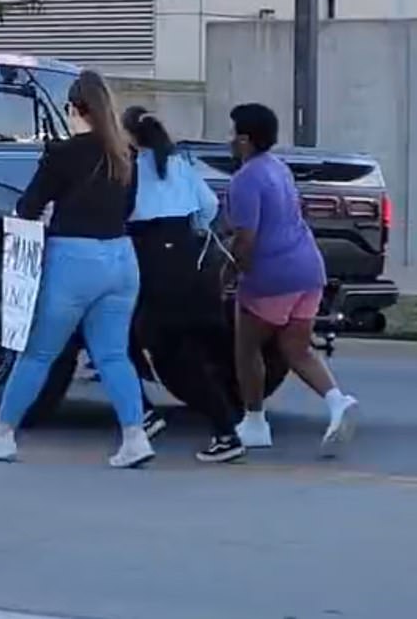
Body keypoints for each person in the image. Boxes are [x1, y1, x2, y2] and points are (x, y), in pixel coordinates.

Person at [0, 70, 154, 469]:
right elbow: (126, 209)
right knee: (113, 355)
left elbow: (27, 208)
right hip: (121, 259)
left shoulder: (63, 153)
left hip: (74, 260)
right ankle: (134, 436)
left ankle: (2, 434)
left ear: (74, 109)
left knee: (39, 353)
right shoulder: (127, 155)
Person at [226, 103, 358, 455]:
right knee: (296, 348)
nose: (229, 141)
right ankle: (337, 401)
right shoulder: (279, 168)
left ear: (244, 139)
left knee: (247, 347)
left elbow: (246, 239)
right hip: (309, 270)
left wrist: (232, 274)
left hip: (272, 276)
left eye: (233, 133)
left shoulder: (245, 180)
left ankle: (255, 422)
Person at [122, 106, 245, 463]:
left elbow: (120, 215)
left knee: (117, 341)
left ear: (130, 138)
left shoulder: (132, 171)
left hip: (151, 266)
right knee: (179, 357)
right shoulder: (180, 166)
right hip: (189, 266)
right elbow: (208, 207)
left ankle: (143, 415)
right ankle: (225, 429)